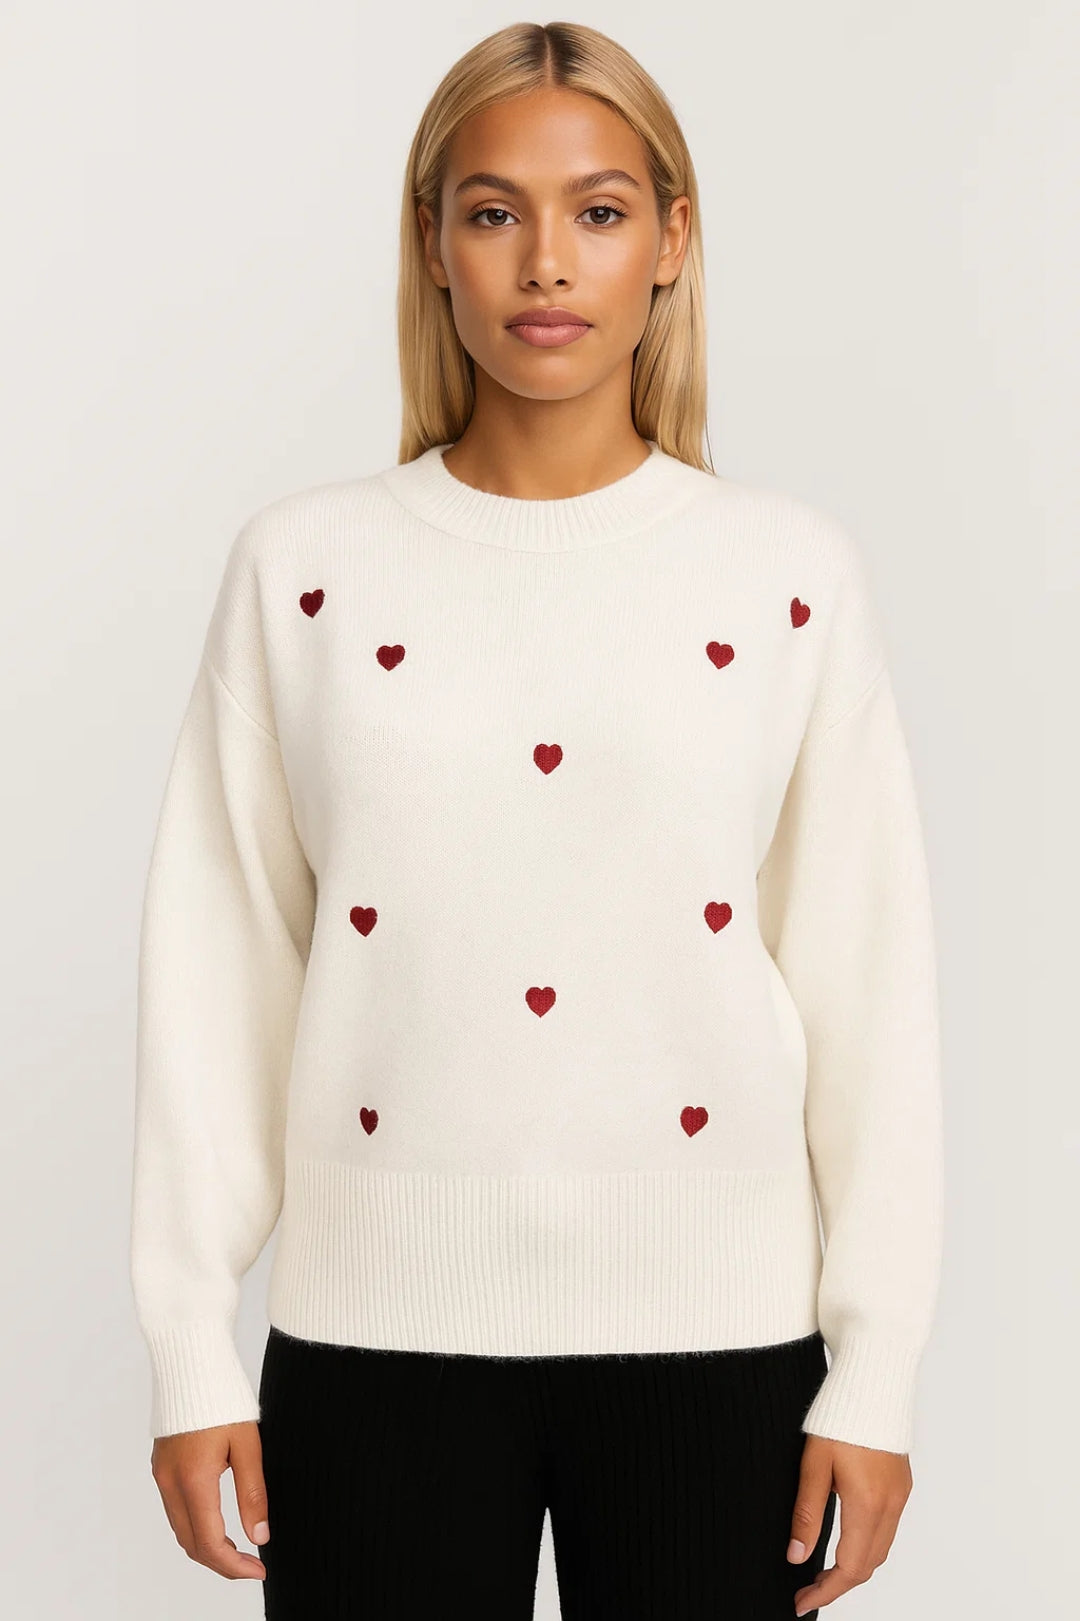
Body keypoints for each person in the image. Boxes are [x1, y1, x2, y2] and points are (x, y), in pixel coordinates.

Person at [129, 20, 944, 1621]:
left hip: (720, 1345)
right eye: (494, 211)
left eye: (601, 210)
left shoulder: (787, 575)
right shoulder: (306, 570)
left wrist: (878, 1370)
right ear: (433, 244)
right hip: (373, 1345)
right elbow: (218, 970)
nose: (547, 261)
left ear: (672, 241)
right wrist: (186, 1341)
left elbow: (870, 982)